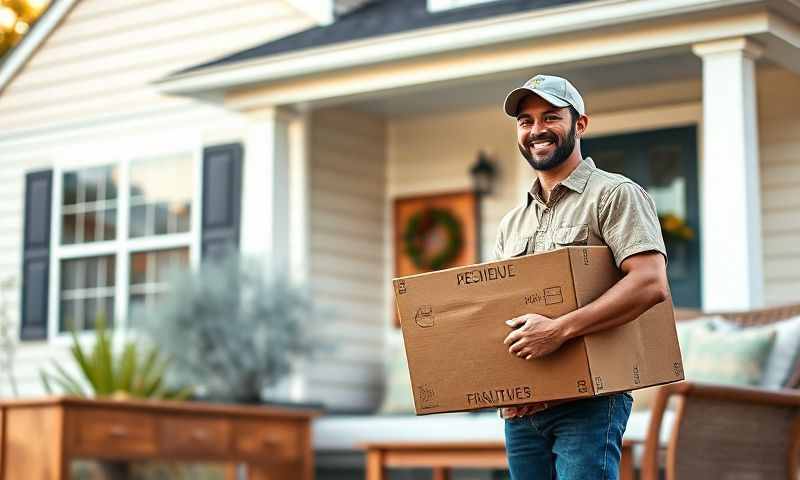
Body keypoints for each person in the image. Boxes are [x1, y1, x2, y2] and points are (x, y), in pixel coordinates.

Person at [496, 74, 669, 480]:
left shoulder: (614, 194)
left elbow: (650, 282)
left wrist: (558, 330)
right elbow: (502, 311)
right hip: (524, 410)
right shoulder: (511, 222)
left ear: (580, 124)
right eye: (525, 121)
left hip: (590, 401)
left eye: (551, 117)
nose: (536, 129)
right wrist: (507, 385)